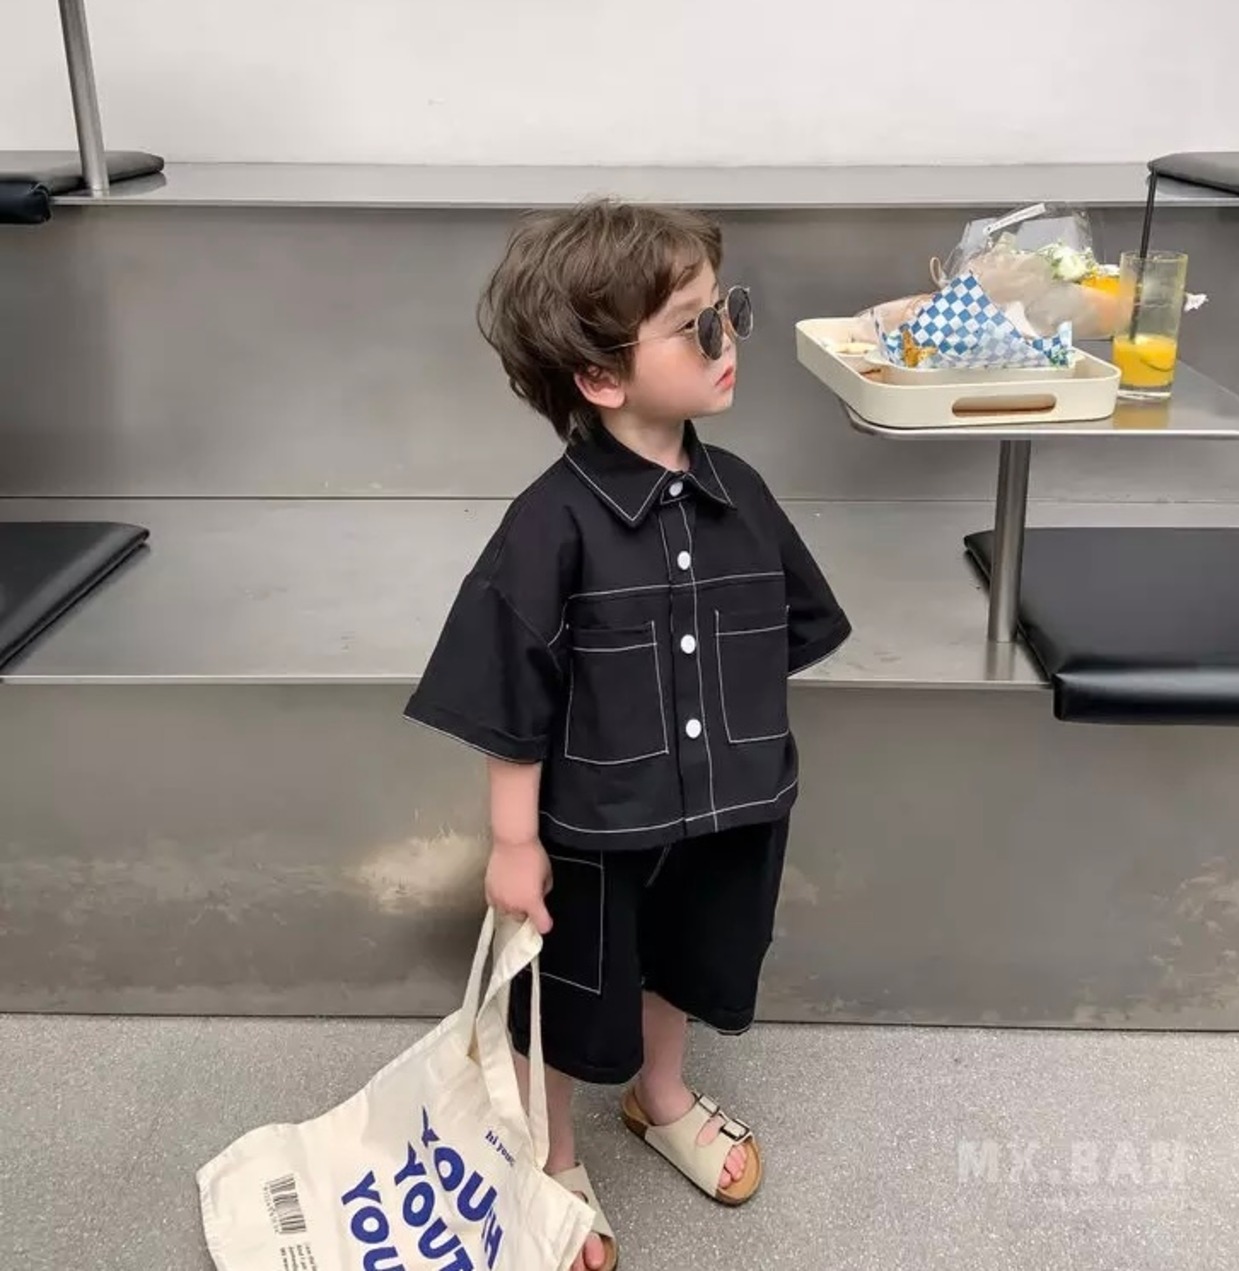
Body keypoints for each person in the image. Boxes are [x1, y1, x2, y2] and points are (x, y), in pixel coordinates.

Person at [405, 199, 851, 1271]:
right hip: (595, 834)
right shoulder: (547, 526)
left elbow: (782, 631)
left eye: (726, 310)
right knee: (569, 1000)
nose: (726, 338)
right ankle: (551, 1151)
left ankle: (662, 1094)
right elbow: (508, 690)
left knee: (686, 964)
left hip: (729, 814)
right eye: (696, 325)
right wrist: (515, 842)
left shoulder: (742, 495)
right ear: (602, 378)